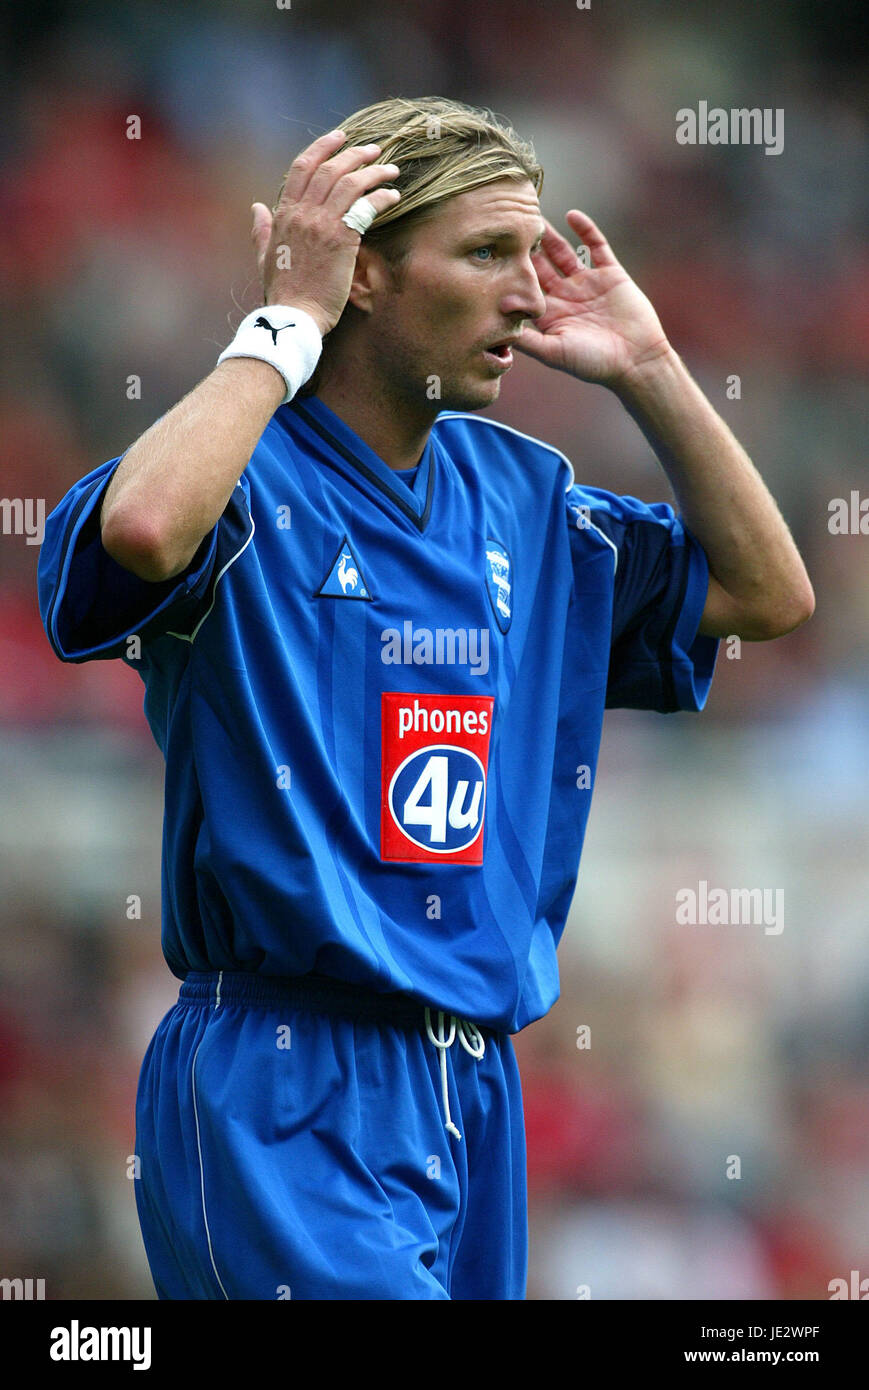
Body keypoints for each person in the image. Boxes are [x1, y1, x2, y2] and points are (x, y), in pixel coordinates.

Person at [37, 96, 814, 1301]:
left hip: (473, 1090)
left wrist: (651, 368)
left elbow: (767, 594)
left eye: (529, 252)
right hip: (285, 1075)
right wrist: (282, 319)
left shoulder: (527, 501)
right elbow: (139, 532)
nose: (528, 292)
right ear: (366, 276)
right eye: (486, 252)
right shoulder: (237, 476)